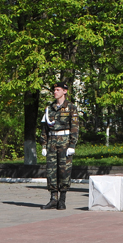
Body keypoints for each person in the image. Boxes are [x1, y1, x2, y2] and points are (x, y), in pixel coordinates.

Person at [39, 81, 79, 210]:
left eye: (58, 89)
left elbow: (74, 127)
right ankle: (53, 199)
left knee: (64, 171)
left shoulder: (71, 108)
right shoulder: (49, 108)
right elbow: (44, 128)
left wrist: (72, 144)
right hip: (52, 142)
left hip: (65, 142)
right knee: (51, 171)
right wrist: (44, 145)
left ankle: (62, 200)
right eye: (54, 90)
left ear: (64, 91)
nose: (55, 92)